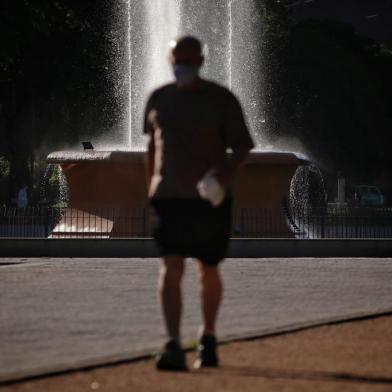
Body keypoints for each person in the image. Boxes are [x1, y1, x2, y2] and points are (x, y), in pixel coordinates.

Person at [144, 36, 254, 371]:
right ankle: (173, 343)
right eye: (179, 60)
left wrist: (225, 174)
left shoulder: (221, 99)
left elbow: (243, 145)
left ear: (202, 62)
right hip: (169, 197)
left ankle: (208, 336)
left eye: (190, 61)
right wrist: (151, 186)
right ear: (170, 58)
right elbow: (152, 148)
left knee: (208, 269)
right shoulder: (158, 99)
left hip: (209, 199)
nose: (184, 67)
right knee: (171, 267)